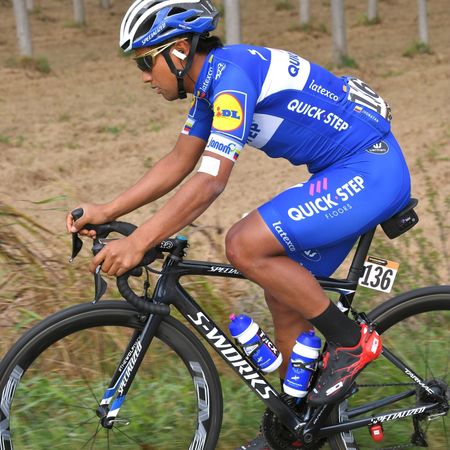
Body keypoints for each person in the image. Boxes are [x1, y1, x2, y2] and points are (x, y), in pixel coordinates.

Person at [66, 1, 411, 448]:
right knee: (284, 291)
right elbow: (180, 161)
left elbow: (210, 182)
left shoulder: (231, 80)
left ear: (178, 50)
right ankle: (296, 430)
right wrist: (107, 209)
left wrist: (140, 242)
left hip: (369, 170)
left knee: (244, 245)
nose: (145, 77)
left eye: (146, 62)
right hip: (349, 171)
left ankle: (351, 342)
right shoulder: (211, 84)